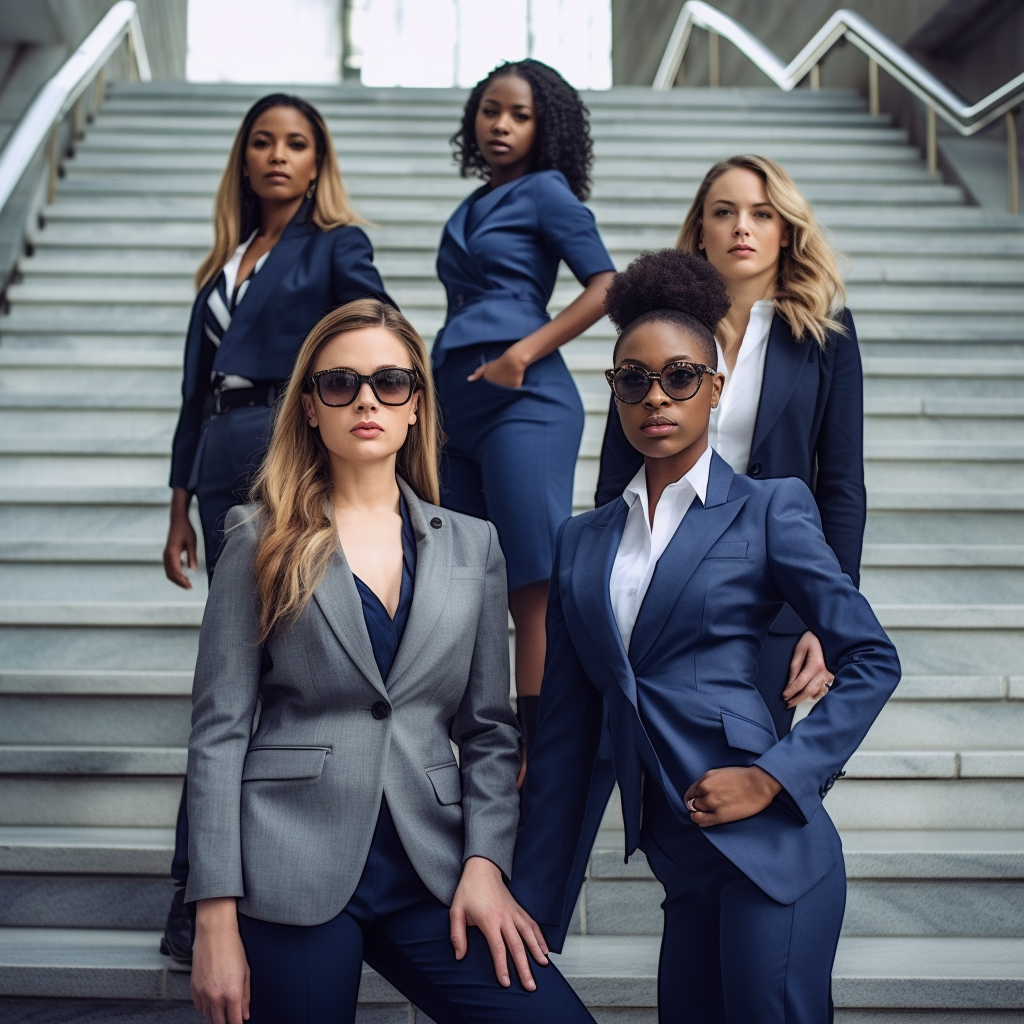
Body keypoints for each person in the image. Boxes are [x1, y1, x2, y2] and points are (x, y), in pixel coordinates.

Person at [512, 251, 900, 1023]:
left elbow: (872, 659)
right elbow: (564, 735)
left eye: (680, 376)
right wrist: (531, 907)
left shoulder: (768, 508)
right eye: (634, 379)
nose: (656, 395)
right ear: (615, 393)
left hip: (772, 855)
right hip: (681, 868)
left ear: (715, 389)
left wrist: (776, 776)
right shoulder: (580, 542)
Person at [186, 299, 597, 1024]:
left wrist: (485, 863)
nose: (366, 399)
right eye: (340, 383)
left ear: (416, 406)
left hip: (433, 871)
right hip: (288, 867)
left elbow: (490, 733)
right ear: (310, 407)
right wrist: (214, 920)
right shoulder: (257, 537)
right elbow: (219, 732)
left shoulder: (475, 546)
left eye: (391, 383)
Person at [160, 92, 392, 963]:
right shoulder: (225, 264)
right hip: (219, 449)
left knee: (254, 675)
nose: (278, 155)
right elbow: (192, 394)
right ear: (244, 158)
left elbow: (375, 337)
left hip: (285, 449)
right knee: (226, 670)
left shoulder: (338, 246)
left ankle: (206, 890)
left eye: (296, 143)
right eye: (262, 141)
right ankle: (204, 884)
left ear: (317, 158)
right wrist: (176, 502)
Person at [433, 59, 616, 751]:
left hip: (525, 402)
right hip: (456, 411)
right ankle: (486, 744)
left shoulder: (546, 193)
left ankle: (544, 755)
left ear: (547, 128)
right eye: (490, 110)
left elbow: (606, 286)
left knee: (529, 583)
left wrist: (522, 354)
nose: (500, 125)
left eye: (518, 114)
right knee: (465, 581)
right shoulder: (473, 204)